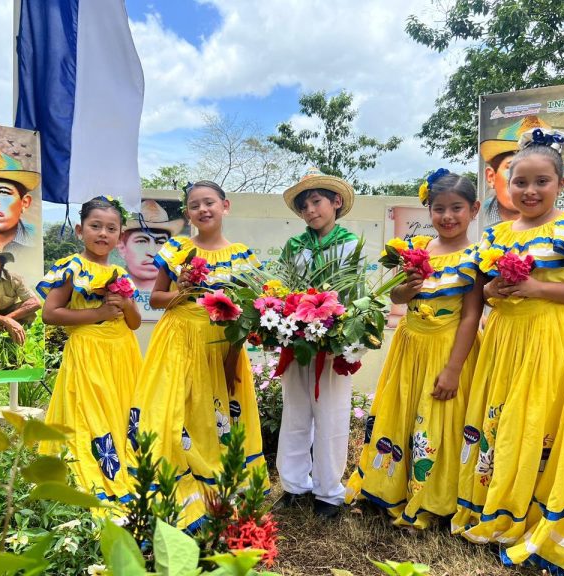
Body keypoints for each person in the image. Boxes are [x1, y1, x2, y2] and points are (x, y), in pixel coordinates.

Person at [453, 128, 564, 576]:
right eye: (520, 181)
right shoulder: (498, 234)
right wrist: (497, 288)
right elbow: (484, 292)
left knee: (548, 427)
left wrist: (536, 286)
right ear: (506, 185)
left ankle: (551, 524)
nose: (529, 190)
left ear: (561, 184)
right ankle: (505, 512)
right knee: (509, 426)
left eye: (541, 181)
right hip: (507, 343)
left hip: (560, 342)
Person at [345, 170, 483, 529]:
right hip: (410, 346)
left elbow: (471, 316)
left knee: (441, 421)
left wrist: (453, 369)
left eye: (457, 208)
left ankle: (436, 497)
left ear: (474, 209)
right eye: (439, 209)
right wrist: (409, 288)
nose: (448, 217)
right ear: (429, 211)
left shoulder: (477, 257)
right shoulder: (417, 249)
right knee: (403, 411)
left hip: (451, 348)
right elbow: (395, 296)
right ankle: (390, 485)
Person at [132, 181, 267, 531]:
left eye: (209, 203)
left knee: (217, 412)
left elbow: (247, 312)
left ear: (226, 205)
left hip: (221, 342)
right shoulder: (176, 248)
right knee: (175, 409)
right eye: (194, 205)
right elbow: (157, 298)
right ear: (188, 212)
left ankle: (220, 487)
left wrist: (233, 355)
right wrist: (184, 289)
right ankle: (177, 485)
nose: (203, 210)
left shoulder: (242, 255)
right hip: (178, 339)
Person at [37, 196, 142, 505]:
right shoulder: (72, 267)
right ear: (80, 230)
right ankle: (95, 476)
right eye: (95, 226)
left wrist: (123, 303)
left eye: (111, 228)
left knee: (122, 412)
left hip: (123, 353)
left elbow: (134, 322)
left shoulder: (121, 275)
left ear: (120, 236)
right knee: (91, 413)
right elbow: (50, 314)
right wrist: (98, 314)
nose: (103, 233)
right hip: (88, 353)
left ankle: (128, 467)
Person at [274, 168, 361, 519]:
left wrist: (343, 331)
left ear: (335, 202)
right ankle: (294, 486)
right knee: (295, 412)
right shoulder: (293, 246)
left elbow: (356, 293)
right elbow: (281, 288)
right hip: (297, 341)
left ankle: (328, 492)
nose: (310, 210)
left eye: (316, 201)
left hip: (333, 342)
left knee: (332, 415)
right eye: (304, 206)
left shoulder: (351, 243)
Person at [480, 115, 551, 227]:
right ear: (491, 177)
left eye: (541, 177)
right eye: (513, 169)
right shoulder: (472, 222)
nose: (530, 188)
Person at [118, 199, 186, 315]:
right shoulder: (111, 280)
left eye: (159, 242)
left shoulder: (181, 281)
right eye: (142, 241)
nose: (152, 252)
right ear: (122, 247)